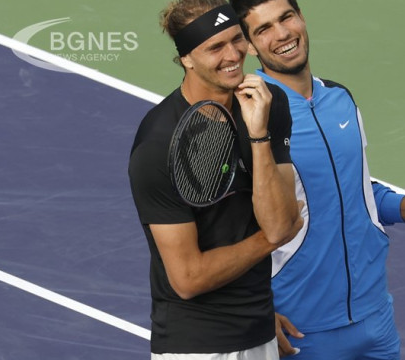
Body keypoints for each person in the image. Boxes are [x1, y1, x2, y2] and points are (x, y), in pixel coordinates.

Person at [230, 0, 405, 359]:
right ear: (249, 45)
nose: (282, 34)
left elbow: (356, 190)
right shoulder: (248, 114)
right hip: (301, 332)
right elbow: (225, 227)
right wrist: (254, 311)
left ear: (302, 18)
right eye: (264, 29)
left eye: (287, 17)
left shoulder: (340, 99)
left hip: (375, 320)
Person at [128, 0, 303, 358]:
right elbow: (188, 279)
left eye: (236, 39)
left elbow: (281, 220)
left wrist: (258, 136)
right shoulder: (158, 144)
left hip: (259, 333)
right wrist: (270, 240)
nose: (233, 54)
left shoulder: (269, 104)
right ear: (187, 59)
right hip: (197, 345)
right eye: (215, 47)